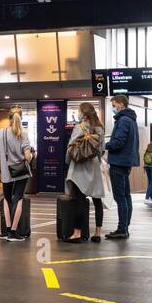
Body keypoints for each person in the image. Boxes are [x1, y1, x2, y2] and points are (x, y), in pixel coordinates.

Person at [64, 102, 106, 242]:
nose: (78, 113)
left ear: (84, 113)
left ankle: (77, 233)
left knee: (79, 200)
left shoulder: (79, 127)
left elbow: (71, 147)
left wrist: (67, 162)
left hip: (79, 166)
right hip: (94, 165)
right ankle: (97, 233)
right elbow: (102, 150)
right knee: (97, 199)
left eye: (79, 111)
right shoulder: (100, 128)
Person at [104, 94, 139, 240]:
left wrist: (104, 146)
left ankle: (122, 228)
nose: (113, 108)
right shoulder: (131, 120)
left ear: (121, 104)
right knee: (125, 195)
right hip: (126, 162)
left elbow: (118, 141)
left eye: (114, 105)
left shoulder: (123, 120)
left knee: (120, 197)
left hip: (119, 161)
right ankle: (125, 226)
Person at [0, 106, 33, 242]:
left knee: (7, 198)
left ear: (9, 118)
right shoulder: (23, 133)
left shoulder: (1, 133)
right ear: (20, 117)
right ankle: (13, 232)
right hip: (21, 172)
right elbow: (27, 156)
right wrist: (32, 155)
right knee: (18, 199)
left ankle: (6, 231)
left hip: (6, 172)